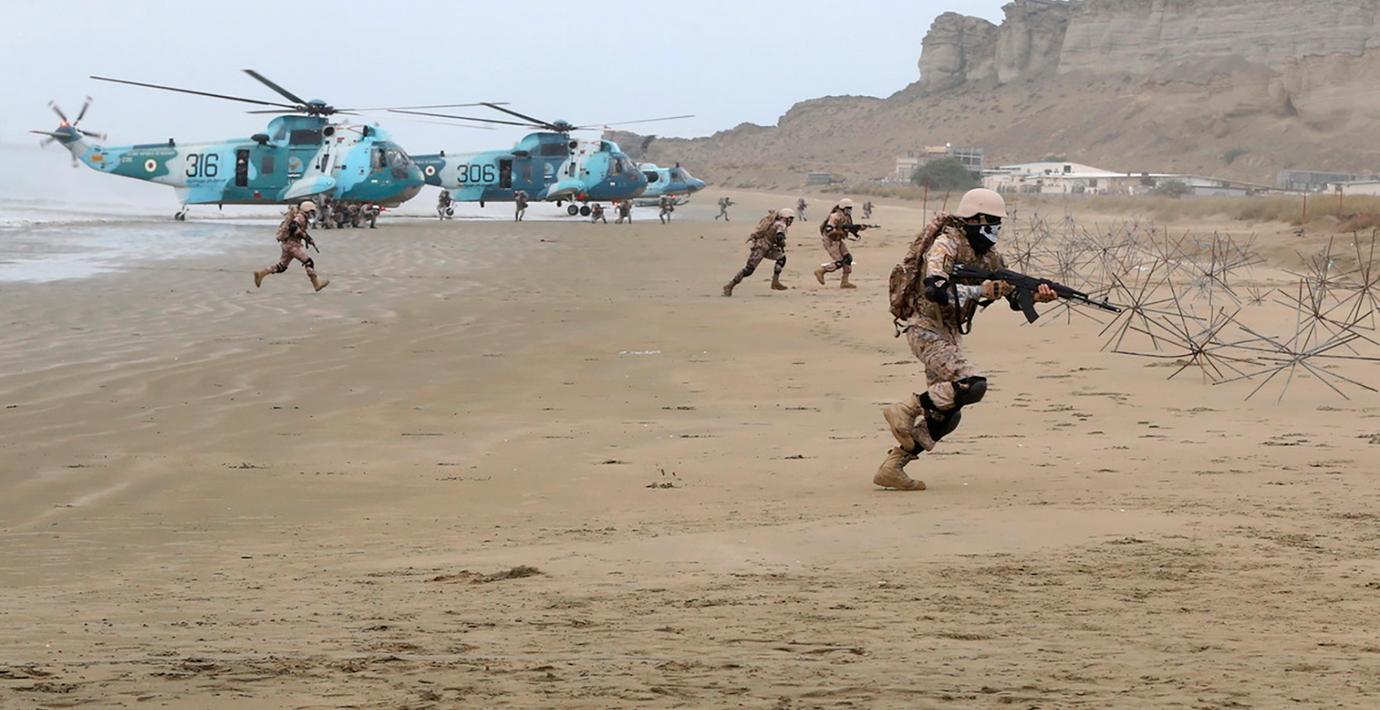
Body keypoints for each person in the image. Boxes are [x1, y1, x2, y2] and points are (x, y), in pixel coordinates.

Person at [873, 188, 1056, 490]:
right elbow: (935, 289)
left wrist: (1036, 296)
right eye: (992, 222)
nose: (996, 229)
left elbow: (1011, 296)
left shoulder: (990, 257)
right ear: (975, 219)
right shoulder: (946, 245)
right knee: (972, 384)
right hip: (925, 328)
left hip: (950, 334)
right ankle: (907, 408)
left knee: (947, 414)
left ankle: (893, 466)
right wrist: (980, 290)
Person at [253, 201, 330, 292]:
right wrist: (305, 236)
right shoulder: (301, 217)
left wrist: (308, 239)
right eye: (311, 211)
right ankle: (316, 284)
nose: (312, 214)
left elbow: (298, 229)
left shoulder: (300, 216)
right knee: (308, 262)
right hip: (293, 245)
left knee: (282, 267)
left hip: (287, 245)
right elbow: (293, 226)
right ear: (307, 210)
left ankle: (261, 273)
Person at [723, 207, 794, 296]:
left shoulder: (775, 223)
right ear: (785, 217)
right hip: (761, 248)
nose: (791, 221)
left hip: (766, 247)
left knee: (781, 258)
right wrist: (781, 243)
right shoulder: (781, 225)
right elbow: (779, 236)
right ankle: (730, 285)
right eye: (790, 218)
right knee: (749, 270)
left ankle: (775, 282)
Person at [814, 198, 860, 289]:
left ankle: (845, 282)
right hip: (831, 241)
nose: (849, 210)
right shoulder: (835, 216)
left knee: (848, 258)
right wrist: (841, 232)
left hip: (838, 240)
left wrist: (856, 230)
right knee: (840, 262)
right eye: (848, 208)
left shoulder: (846, 217)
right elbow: (829, 230)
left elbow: (847, 228)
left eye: (850, 208)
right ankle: (821, 271)